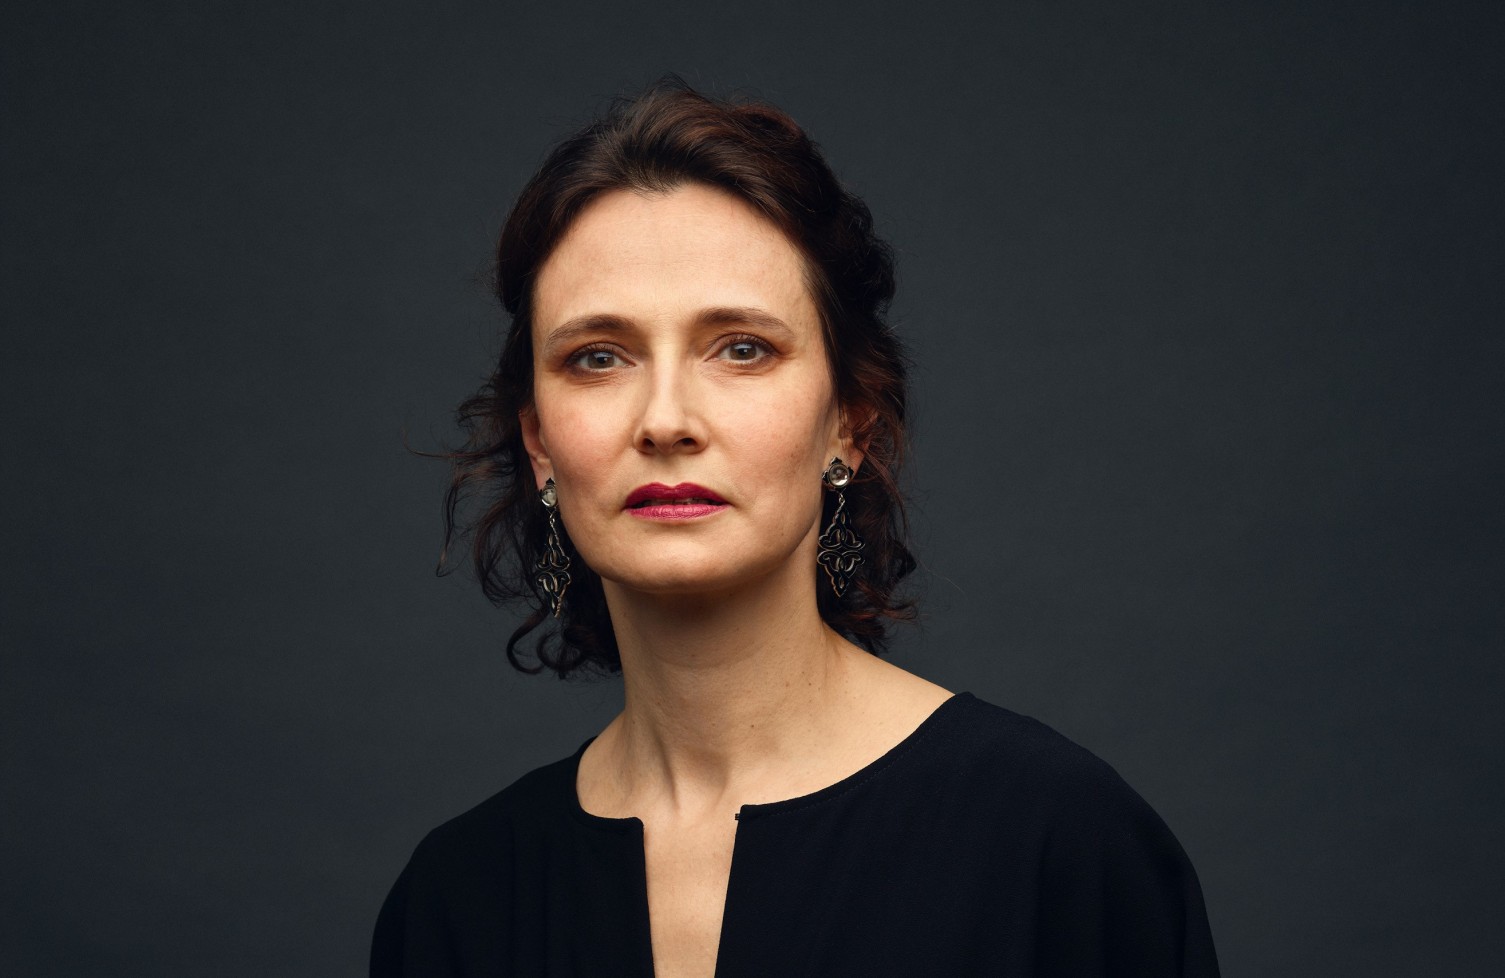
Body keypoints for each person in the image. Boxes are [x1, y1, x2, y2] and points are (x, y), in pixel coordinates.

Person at [371, 79, 1220, 978]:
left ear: (848, 421)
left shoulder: (1057, 840)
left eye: (742, 348)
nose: (665, 421)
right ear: (539, 443)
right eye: (598, 357)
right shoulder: (457, 899)